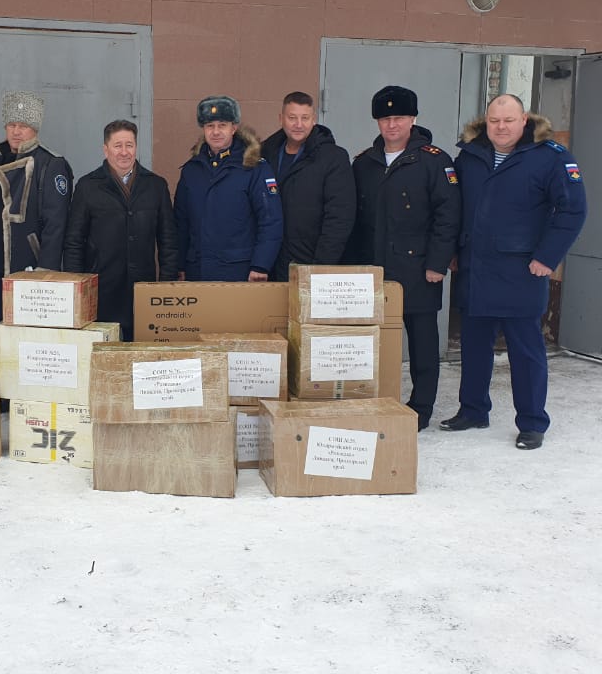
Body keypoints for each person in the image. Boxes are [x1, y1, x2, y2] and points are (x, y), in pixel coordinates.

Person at [441, 93, 587, 450]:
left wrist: (547, 257)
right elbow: (455, 208)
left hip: (522, 271)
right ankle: (473, 410)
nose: (501, 127)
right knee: (474, 347)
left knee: (526, 352)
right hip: (476, 268)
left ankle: (533, 422)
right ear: (485, 122)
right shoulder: (470, 155)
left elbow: (573, 210)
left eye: (509, 120)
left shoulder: (550, 157)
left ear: (524, 120)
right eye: (494, 121)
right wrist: (453, 251)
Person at [347, 85, 461, 432]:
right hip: (373, 269)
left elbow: (448, 216)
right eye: (385, 118)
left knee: (423, 343)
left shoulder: (434, 161)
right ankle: (375, 399)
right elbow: (355, 219)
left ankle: (421, 407)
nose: (392, 125)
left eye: (399, 117)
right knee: (373, 342)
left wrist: (437, 264)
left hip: (418, 268)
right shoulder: (364, 163)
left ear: (413, 119)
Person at [63, 119, 179, 340]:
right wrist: (77, 288)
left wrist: (166, 285)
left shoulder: (156, 186)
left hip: (143, 290)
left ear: (136, 147)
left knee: (141, 351)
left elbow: (168, 241)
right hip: (101, 289)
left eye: (129, 145)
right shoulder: (88, 186)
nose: (124, 152)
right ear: (106, 149)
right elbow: (74, 242)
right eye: (118, 146)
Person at [0, 91, 74, 327]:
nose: (16, 131)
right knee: (1, 325)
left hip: (28, 266)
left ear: (34, 129)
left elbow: (56, 223)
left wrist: (45, 269)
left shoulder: (51, 163)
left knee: (27, 332)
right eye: (12, 125)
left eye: (23, 126)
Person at [174, 95, 282, 282]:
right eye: (210, 126)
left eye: (222, 125)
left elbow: (270, 220)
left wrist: (261, 265)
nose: (215, 132)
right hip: (197, 271)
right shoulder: (192, 170)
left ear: (234, 128)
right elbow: (181, 223)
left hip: (239, 272)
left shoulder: (254, 167)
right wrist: (180, 265)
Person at [260, 91, 355, 280]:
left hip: (311, 264)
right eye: (292, 118)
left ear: (314, 120)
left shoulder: (333, 158)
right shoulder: (265, 154)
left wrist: (321, 268)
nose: (298, 124)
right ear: (281, 119)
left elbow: (339, 218)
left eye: (305, 118)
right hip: (270, 265)